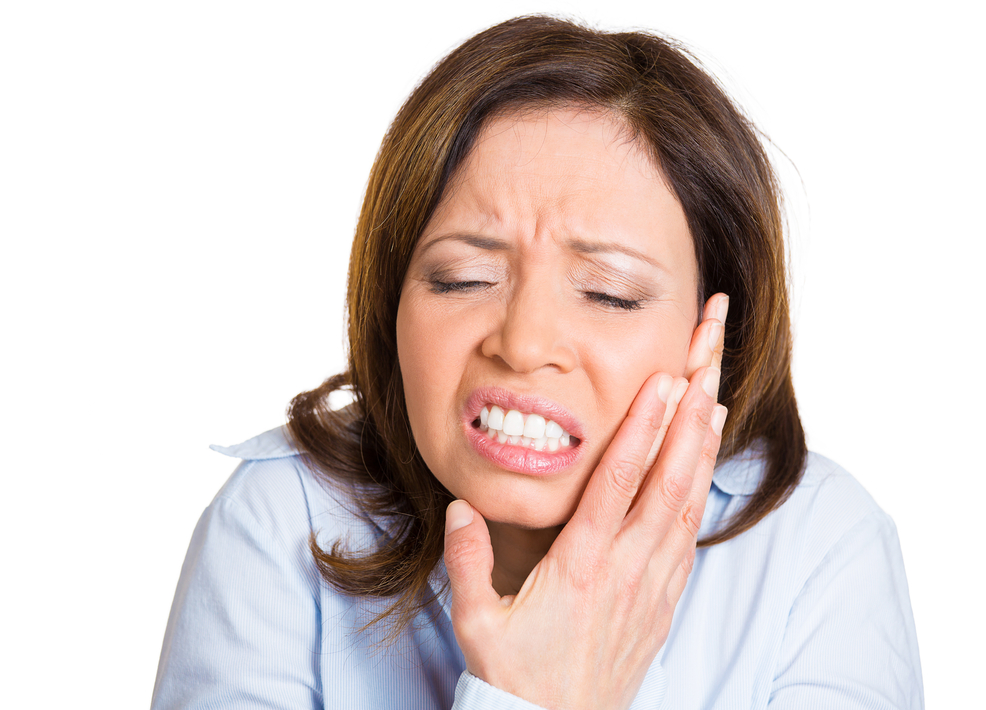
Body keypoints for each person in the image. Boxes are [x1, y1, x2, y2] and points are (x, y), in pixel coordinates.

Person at [151, 15, 923, 710]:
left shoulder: (821, 547)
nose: (521, 345)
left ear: (714, 335)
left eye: (609, 294)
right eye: (463, 279)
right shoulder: (278, 520)